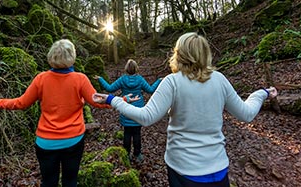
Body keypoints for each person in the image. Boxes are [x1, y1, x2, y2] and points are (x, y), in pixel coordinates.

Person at [92, 32, 278, 187]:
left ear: (179, 54)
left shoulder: (172, 82)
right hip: (218, 170)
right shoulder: (219, 79)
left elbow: (147, 117)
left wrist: (113, 100)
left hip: (182, 170)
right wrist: (261, 93)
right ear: (205, 54)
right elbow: (246, 114)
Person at [0, 39, 110, 187]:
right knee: (70, 181)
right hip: (73, 140)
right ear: (72, 57)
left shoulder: (41, 79)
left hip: (46, 142)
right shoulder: (80, 79)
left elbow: (21, 103)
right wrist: (122, 101)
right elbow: (97, 101)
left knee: (48, 182)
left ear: (51, 56)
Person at [93, 59, 162, 162]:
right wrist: (159, 81)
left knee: (127, 133)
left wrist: (101, 79)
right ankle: (137, 154)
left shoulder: (122, 79)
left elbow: (110, 88)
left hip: (125, 108)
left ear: (126, 69)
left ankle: (126, 154)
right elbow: (151, 90)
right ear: (136, 69)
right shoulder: (140, 79)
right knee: (137, 133)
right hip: (138, 110)